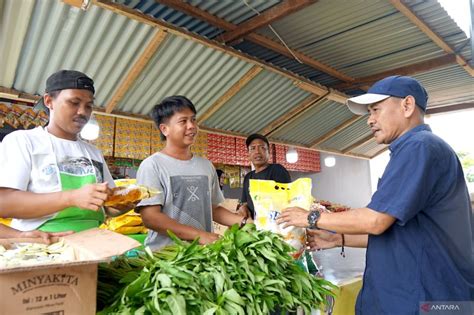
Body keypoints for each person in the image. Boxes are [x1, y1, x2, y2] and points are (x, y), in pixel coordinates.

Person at [277, 76, 474, 314]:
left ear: (407, 106)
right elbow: (399, 235)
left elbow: (375, 220)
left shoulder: (420, 147)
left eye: (376, 110)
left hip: (424, 300)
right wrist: (338, 239)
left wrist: (310, 218)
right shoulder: (412, 150)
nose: (370, 120)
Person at [0, 70, 133, 233]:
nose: (83, 112)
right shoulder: (24, 141)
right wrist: (72, 198)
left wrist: (123, 204)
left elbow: (108, 208)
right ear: (49, 101)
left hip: (93, 241)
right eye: (74, 102)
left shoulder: (93, 152)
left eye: (89, 106)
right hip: (43, 244)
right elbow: (4, 203)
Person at [135, 96, 248, 250]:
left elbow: (212, 209)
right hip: (167, 257)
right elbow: (151, 217)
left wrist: (242, 222)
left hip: (203, 255)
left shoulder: (206, 166)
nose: (192, 126)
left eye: (193, 120)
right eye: (183, 121)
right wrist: (200, 235)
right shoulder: (152, 165)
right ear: (164, 129)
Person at [238, 133, 291, 219]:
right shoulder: (248, 177)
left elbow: (287, 198)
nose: (257, 152)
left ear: (268, 152)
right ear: (248, 154)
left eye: (262, 147)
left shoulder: (277, 170)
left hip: (275, 225)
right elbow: (245, 202)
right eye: (252, 148)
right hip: (254, 227)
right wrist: (243, 207)